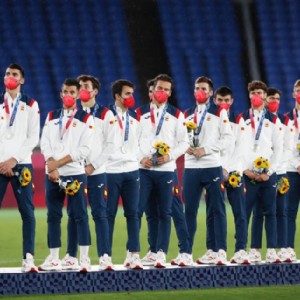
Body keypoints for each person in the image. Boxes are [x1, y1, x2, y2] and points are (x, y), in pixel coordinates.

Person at [60, 74, 116, 271]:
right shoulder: (71, 114)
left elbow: (111, 145)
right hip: (75, 172)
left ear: (95, 91)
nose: (81, 90)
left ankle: (104, 256)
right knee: (75, 212)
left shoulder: (106, 114)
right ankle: (70, 255)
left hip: (96, 171)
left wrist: (93, 165)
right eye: (80, 87)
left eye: (85, 86)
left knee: (100, 213)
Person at [39, 78, 94, 272]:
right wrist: (51, 166)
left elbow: (84, 150)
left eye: (72, 92)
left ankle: (84, 258)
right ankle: (54, 258)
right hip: (53, 174)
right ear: (61, 93)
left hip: (75, 173)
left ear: (78, 94)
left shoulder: (86, 118)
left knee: (79, 215)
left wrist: (57, 163)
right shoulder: (51, 116)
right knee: (53, 216)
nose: (68, 95)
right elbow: (44, 142)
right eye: (65, 92)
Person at [137, 73, 190, 268]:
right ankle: (151, 251)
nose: (162, 92)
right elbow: (132, 141)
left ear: (170, 92)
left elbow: (184, 142)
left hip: (167, 170)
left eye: (166, 89)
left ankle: (162, 252)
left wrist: (170, 156)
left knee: (166, 212)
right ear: (153, 89)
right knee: (148, 212)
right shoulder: (139, 113)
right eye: (159, 88)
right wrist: (141, 158)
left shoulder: (177, 115)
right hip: (144, 169)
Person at [183, 77, 233, 265]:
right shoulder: (186, 114)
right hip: (191, 166)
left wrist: (206, 149)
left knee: (216, 209)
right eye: (197, 88)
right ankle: (185, 252)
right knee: (189, 210)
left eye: (203, 88)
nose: (199, 91)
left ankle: (218, 250)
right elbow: (179, 139)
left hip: (212, 165)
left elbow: (227, 138)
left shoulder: (220, 112)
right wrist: (184, 147)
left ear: (211, 93)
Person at [0, 63, 40, 272]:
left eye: (14, 74)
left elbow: (33, 137)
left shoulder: (31, 104)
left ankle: (28, 258)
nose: (10, 77)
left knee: (27, 212)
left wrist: (13, 160)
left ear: (22, 80)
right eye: (7, 73)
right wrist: (2, 162)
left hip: (21, 164)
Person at [241, 80, 283, 263]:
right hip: (248, 175)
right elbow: (237, 147)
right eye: (253, 93)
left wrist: (269, 171)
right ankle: (254, 249)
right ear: (249, 95)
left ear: (265, 96)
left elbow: (279, 149)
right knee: (249, 213)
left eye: (260, 93)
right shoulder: (241, 119)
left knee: (270, 211)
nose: (257, 96)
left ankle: (272, 249)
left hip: (268, 175)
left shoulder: (274, 120)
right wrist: (245, 169)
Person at [251, 87, 293, 262]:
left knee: (281, 211)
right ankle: (255, 248)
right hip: (261, 172)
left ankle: (282, 247)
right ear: (265, 100)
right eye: (270, 98)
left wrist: (276, 168)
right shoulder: (259, 119)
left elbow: (287, 148)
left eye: (277, 98)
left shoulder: (285, 120)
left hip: (280, 171)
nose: (274, 101)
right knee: (259, 210)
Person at [106, 79, 143, 269]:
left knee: (133, 214)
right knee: (109, 214)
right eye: (127, 94)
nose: (131, 98)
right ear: (117, 96)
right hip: (111, 170)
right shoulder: (105, 116)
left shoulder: (135, 118)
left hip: (131, 170)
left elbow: (138, 144)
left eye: (132, 93)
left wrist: (137, 159)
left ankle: (134, 255)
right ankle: (106, 255)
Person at [211, 86, 249, 264]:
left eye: (227, 100)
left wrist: (228, 169)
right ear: (214, 101)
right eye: (220, 100)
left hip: (233, 172)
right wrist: (219, 168)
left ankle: (241, 249)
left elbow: (241, 148)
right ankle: (218, 250)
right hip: (215, 170)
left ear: (232, 102)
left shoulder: (238, 119)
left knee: (240, 212)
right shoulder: (209, 120)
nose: (223, 104)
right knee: (216, 212)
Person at [284, 79, 300, 262]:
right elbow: (284, 147)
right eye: (297, 90)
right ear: (292, 93)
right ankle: (287, 249)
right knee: (289, 211)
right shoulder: (285, 119)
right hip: (291, 169)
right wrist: (296, 164)